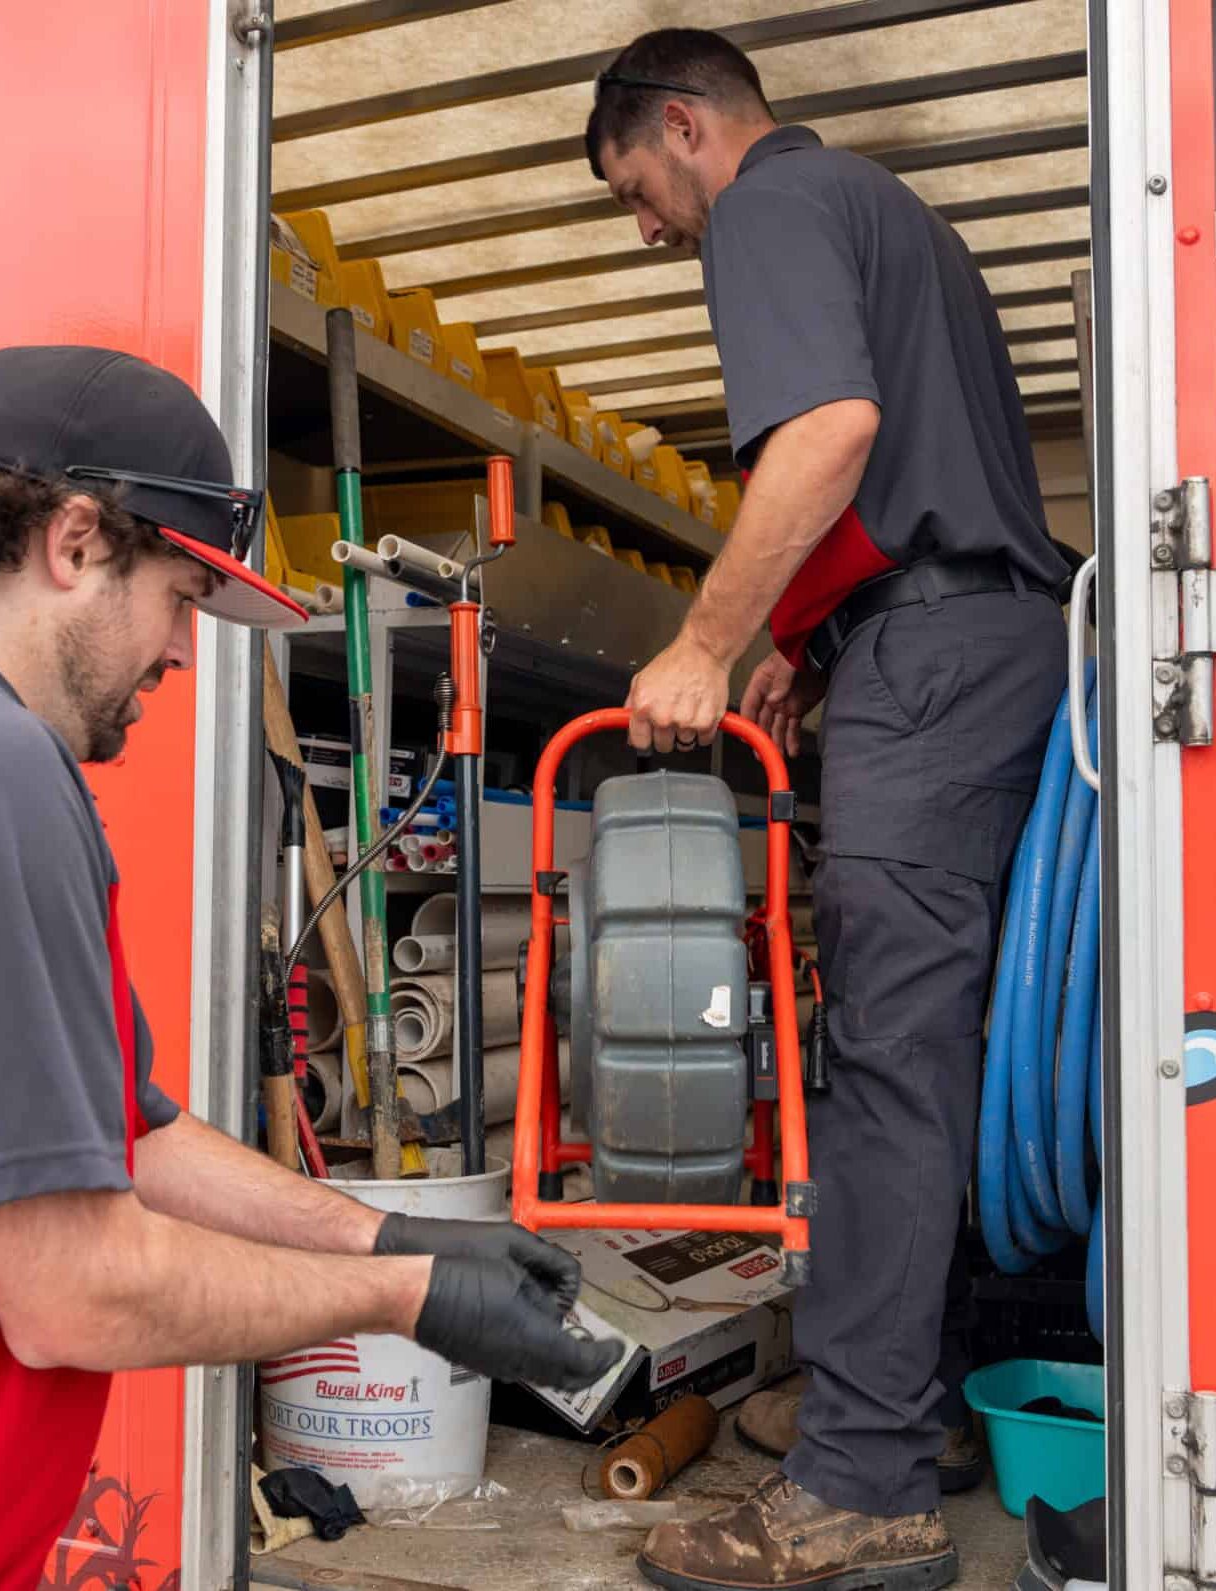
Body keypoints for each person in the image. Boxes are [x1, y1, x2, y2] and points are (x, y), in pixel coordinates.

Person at [0, 346, 621, 1591]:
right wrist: (408, 1302)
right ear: (76, 541)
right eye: (180, 598)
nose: (180, 655)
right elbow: (74, 1291)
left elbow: (126, 1135)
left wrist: (382, 1233)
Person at [586, 30, 1070, 1591]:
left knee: (884, 1063)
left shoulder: (768, 206)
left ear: (685, 125)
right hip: (969, 642)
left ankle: (857, 1481)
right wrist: (814, 641)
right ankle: (910, 1404)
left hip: (931, 669)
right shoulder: (888, 215)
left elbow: (829, 434)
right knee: (935, 1050)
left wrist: (704, 640)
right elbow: (913, 472)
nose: (645, 230)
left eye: (636, 190)